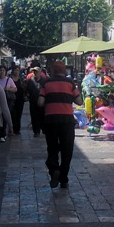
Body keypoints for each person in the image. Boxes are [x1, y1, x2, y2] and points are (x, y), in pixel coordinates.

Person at [39, 60, 83, 189]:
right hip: (67, 121)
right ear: (64, 70)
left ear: (53, 70)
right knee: (67, 150)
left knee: (52, 148)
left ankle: (54, 170)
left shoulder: (46, 82)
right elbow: (79, 102)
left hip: (51, 120)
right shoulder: (70, 83)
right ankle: (64, 179)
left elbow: (40, 102)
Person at [0, 64, 17, 142]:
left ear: (6, 72)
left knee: (4, 116)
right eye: (0, 70)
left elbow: (15, 89)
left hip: (7, 100)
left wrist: (9, 89)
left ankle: (3, 134)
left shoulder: (9, 80)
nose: (2, 72)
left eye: (3, 70)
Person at [25, 66, 45, 137]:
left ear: (40, 72)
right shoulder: (30, 81)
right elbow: (27, 89)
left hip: (42, 102)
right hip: (33, 101)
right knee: (34, 116)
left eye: (37, 71)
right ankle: (36, 131)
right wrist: (27, 95)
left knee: (42, 116)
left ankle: (43, 129)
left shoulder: (44, 81)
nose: (35, 73)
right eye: (34, 72)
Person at [9, 64, 27, 135]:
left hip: (20, 99)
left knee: (19, 114)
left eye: (17, 70)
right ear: (12, 71)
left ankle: (17, 129)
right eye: (15, 70)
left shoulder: (21, 79)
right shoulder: (9, 79)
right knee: (13, 114)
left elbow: (25, 88)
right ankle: (12, 128)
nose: (16, 72)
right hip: (11, 99)